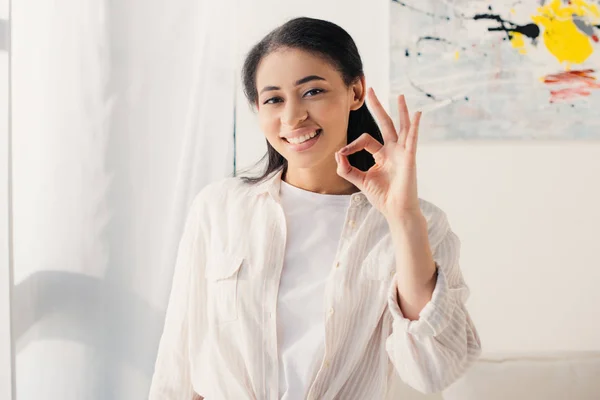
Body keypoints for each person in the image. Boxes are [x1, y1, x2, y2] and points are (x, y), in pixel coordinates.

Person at [149, 17, 481, 400]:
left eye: (312, 92)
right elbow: (177, 364)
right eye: (273, 99)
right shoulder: (219, 207)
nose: (292, 117)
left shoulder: (422, 224)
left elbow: (434, 371)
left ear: (355, 91)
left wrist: (403, 218)